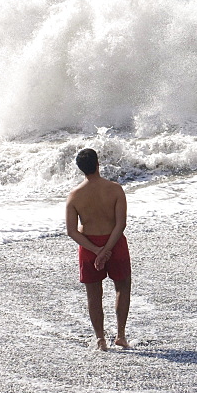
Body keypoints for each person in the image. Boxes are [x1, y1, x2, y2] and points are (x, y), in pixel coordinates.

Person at [65, 148, 132, 351]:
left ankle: (100, 339)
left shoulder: (75, 196)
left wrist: (96, 250)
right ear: (97, 164)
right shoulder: (115, 189)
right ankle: (120, 335)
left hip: (88, 246)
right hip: (115, 243)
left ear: (80, 169)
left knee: (94, 295)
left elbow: (71, 231)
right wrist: (106, 250)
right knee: (122, 288)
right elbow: (120, 224)